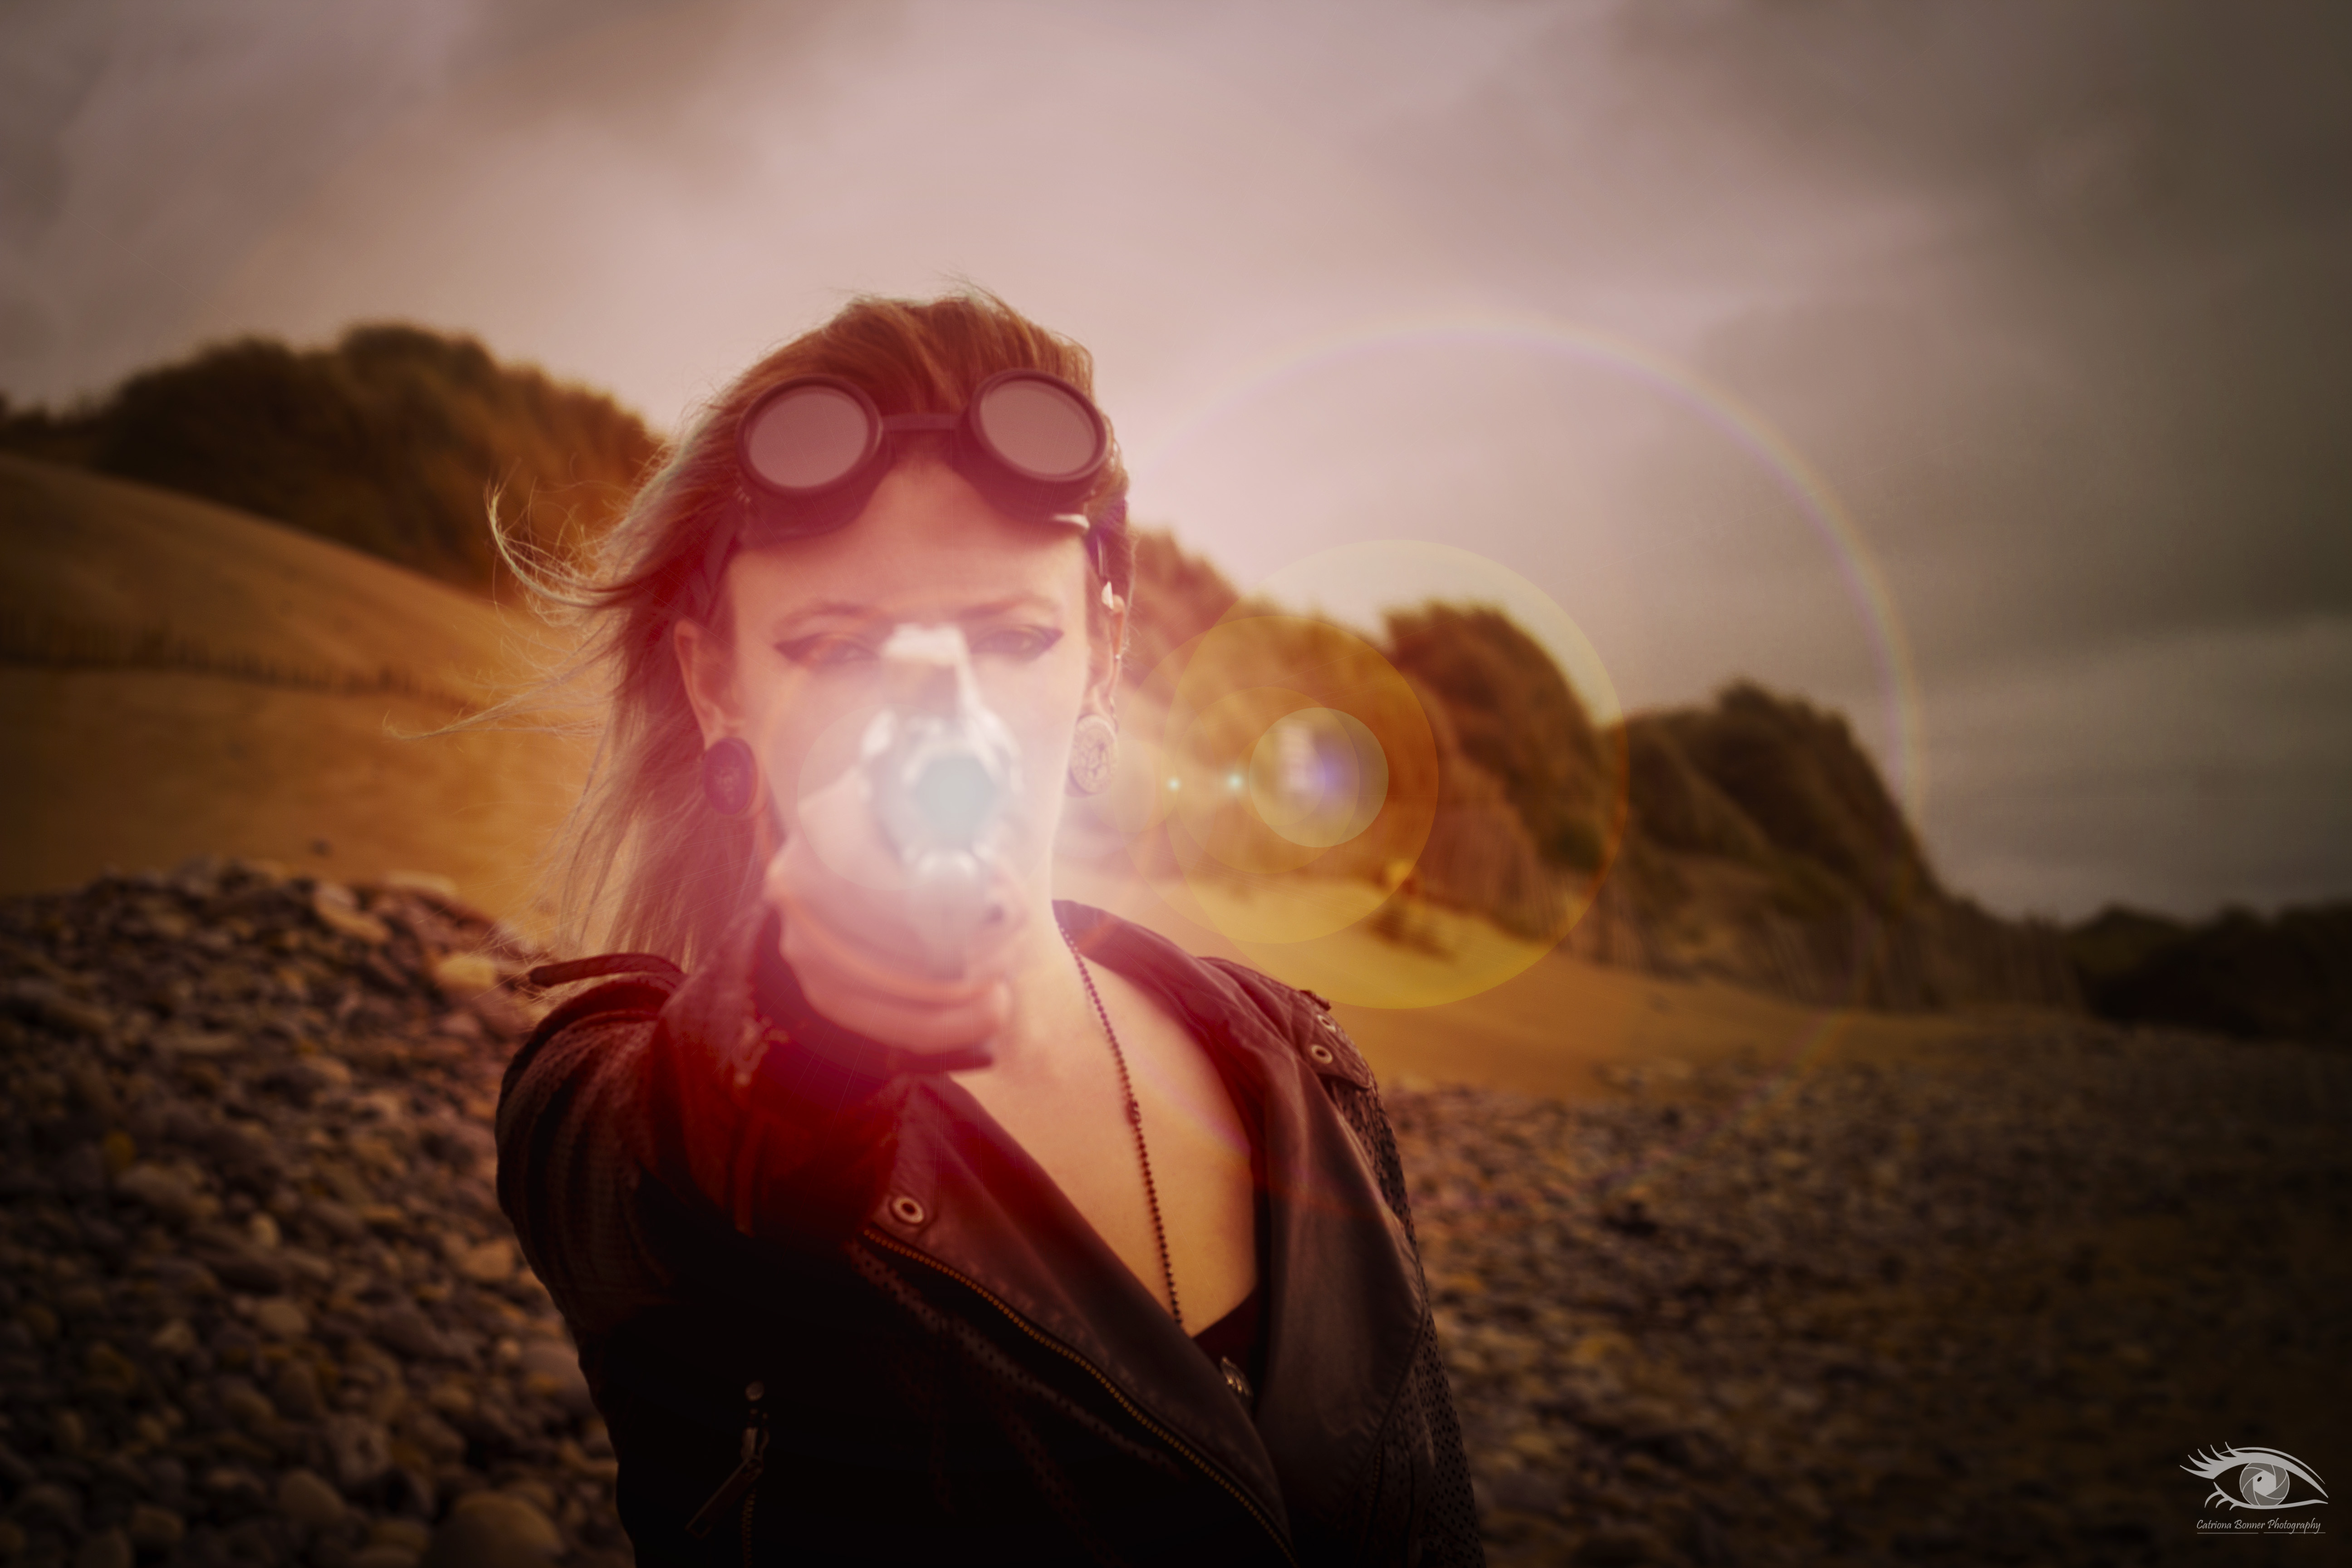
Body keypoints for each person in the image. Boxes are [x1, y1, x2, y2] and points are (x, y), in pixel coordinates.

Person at [495, 291, 1482, 1565]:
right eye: (837, 650)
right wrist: (807, 1029)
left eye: (1011, 636)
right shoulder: (606, 1093)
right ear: (712, 680)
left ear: (1103, 652)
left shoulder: (1303, 1069)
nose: (937, 718)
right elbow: (689, 1151)